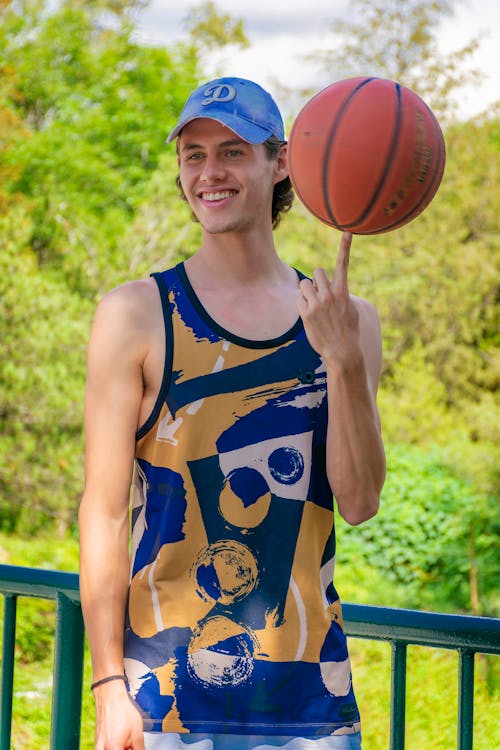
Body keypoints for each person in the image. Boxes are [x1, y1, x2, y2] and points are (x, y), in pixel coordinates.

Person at [78, 76, 386, 750]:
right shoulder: (135, 315)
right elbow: (102, 513)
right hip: (163, 703)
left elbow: (359, 500)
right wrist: (107, 687)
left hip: (309, 703)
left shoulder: (346, 321)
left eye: (232, 151)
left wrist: (344, 362)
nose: (209, 172)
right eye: (193, 155)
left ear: (280, 165)